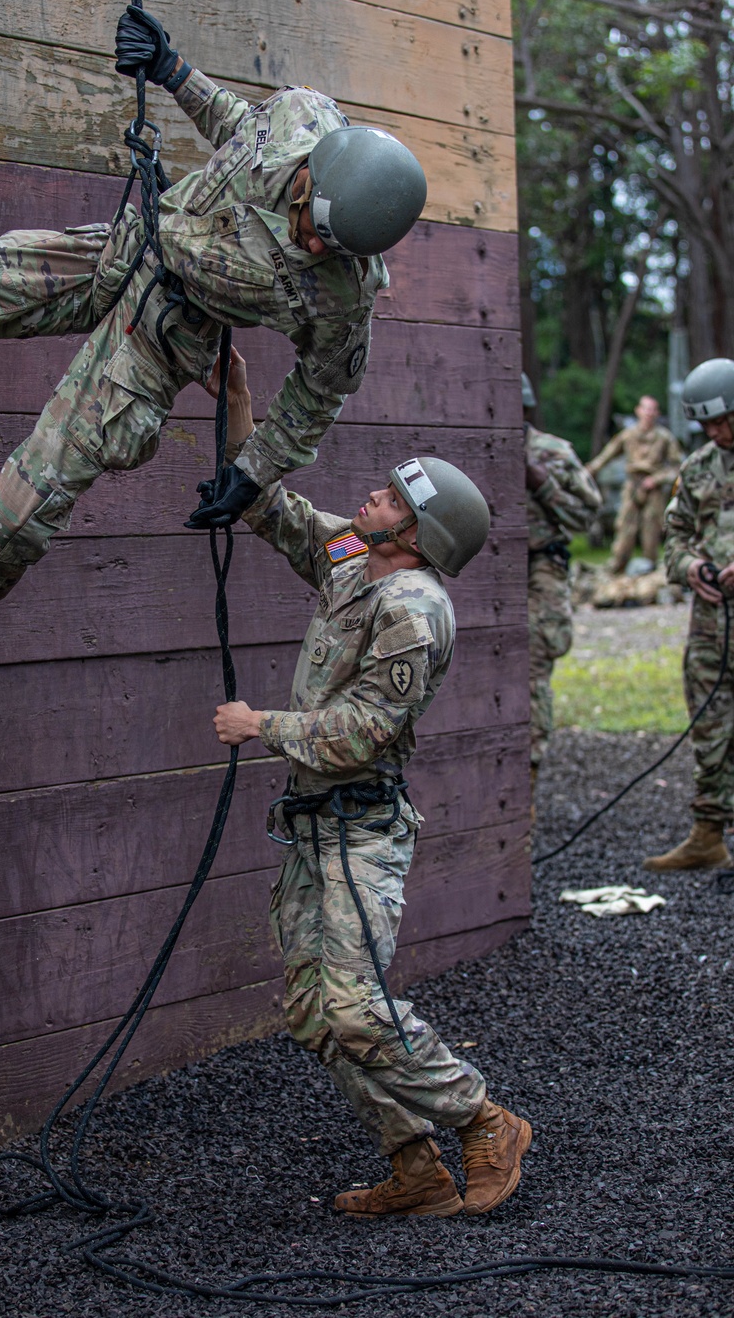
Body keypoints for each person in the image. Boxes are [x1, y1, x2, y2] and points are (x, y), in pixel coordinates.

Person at [0, 7, 427, 701]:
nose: (317, 250)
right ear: (317, 173)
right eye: (315, 231)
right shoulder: (302, 117)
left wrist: (253, 471)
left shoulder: (344, 293)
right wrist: (173, 72)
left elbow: (318, 395)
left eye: (335, 250)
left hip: (157, 344)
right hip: (124, 250)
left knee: (20, 515)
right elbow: (241, 125)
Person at [212, 350, 531, 1218]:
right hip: (313, 825)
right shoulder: (357, 558)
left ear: (417, 536)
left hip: (360, 830)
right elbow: (275, 512)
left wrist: (260, 727)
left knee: (355, 1009)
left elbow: (363, 732)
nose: (371, 500)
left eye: (391, 499)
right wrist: (239, 404)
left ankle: (486, 1121)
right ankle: (417, 1169)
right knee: (316, 1015)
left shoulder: (413, 608)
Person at [645, 359, 734, 872]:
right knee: (710, 727)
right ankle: (708, 833)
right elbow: (673, 538)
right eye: (708, 426)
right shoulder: (698, 466)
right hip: (710, 628)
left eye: (724, 421)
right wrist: (692, 566)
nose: (717, 433)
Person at [522, 374, 601, 781]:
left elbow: (587, 516)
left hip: (540, 569)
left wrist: (543, 483)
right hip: (487, 575)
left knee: (534, 662)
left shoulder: (552, 452)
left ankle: (530, 772)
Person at [587, 396, 683, 574]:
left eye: (652, 409)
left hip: (653, 487)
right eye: (645, 409)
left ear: (657, 413)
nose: (648, 413)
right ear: (638, 411)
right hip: (632, 486)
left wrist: (657, 479)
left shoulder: (665, 438)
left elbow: (677, 467)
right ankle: (618, 567)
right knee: (625, 527)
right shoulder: (628, 435)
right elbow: (606, 455)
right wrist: (590, 470)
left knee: (651, 529)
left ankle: (650, 568)